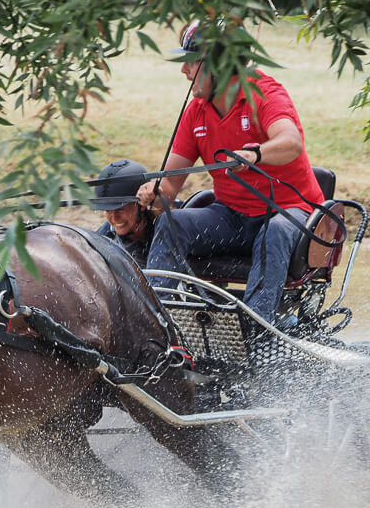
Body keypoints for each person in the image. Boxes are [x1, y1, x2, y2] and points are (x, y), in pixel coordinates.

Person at [138, 20, 323, 324]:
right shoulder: (196, 111)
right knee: (173, 222)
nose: (184, 70)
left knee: (275, 230)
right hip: (232, 218)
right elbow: (168, 188)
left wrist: (254, 154)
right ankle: (157, 324)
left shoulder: (264, 92)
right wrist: (153, 193)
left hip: (289, 212)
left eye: (191, 62)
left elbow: (291, 143)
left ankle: (257, 331)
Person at [92, 159, 157, 268]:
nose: (114, 218)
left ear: (142, 205)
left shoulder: (168, 226)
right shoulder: (101, 242)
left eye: (120, 209)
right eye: (108, 210)